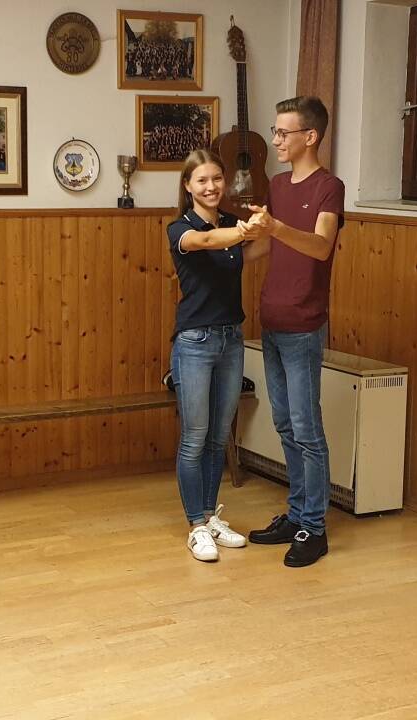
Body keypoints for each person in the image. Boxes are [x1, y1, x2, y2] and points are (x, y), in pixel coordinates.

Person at [244, 95, 345, 568]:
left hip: (305, 324)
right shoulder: (278, 185)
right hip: (272, 319)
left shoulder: (329, 188)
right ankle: (297, 512)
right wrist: (215, 253)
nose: (276, 139)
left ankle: (315, 528)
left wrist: (277, 227)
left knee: (307, 430)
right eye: (275, 130)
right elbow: (262, 245)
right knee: (285, 423)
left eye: (284, 133)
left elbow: (321, 246)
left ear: (311, 136)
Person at [165, 148, 267, 562]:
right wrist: (247, 231)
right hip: (194, 342)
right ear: (188, 186)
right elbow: (208, 241)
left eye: (217, 179)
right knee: (194, 437)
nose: (211, 187)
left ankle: (209, 517)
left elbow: (251, 253)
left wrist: (267, 229)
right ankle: (194, 526)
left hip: (230, 339)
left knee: (217, 437)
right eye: (202, 181)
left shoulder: (231, 225)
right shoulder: (181, 228)